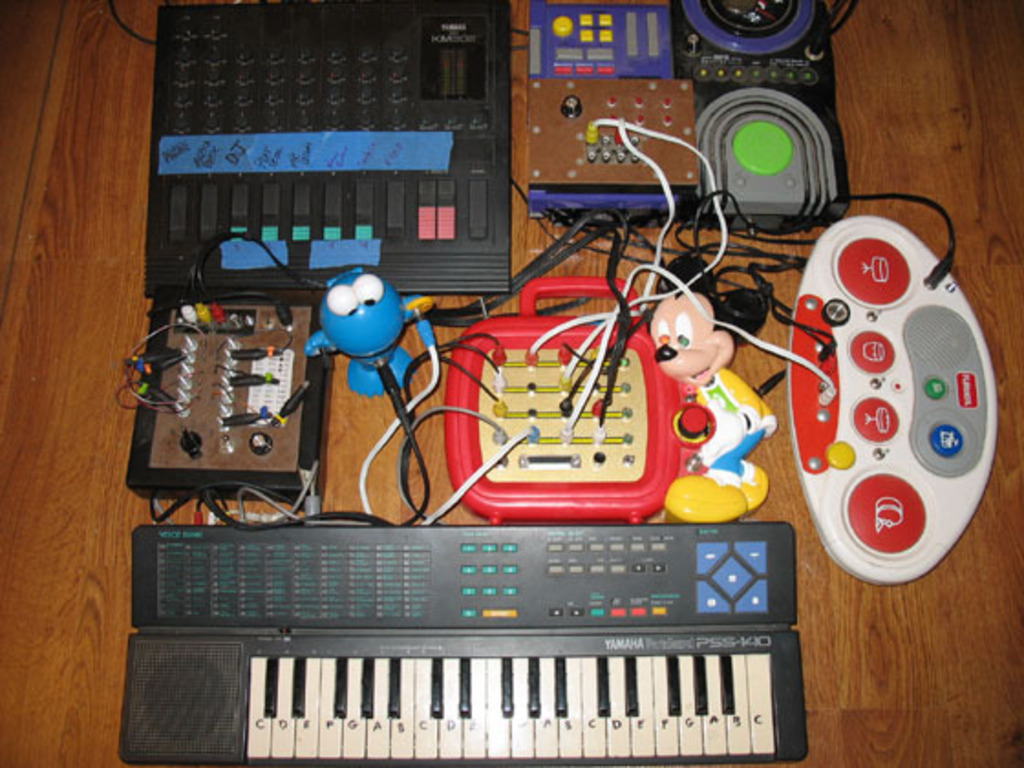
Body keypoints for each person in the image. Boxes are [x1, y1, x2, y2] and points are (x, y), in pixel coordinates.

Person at [651, 293, 777, 523]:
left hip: (738, 429)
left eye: (684, 341)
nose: (670, 353)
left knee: (712, 463)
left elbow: (751, 405)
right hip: (708, 440)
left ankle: (728, 488)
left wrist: (748, 418)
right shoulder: (681, 385)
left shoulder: (722, 378)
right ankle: (741, 477)